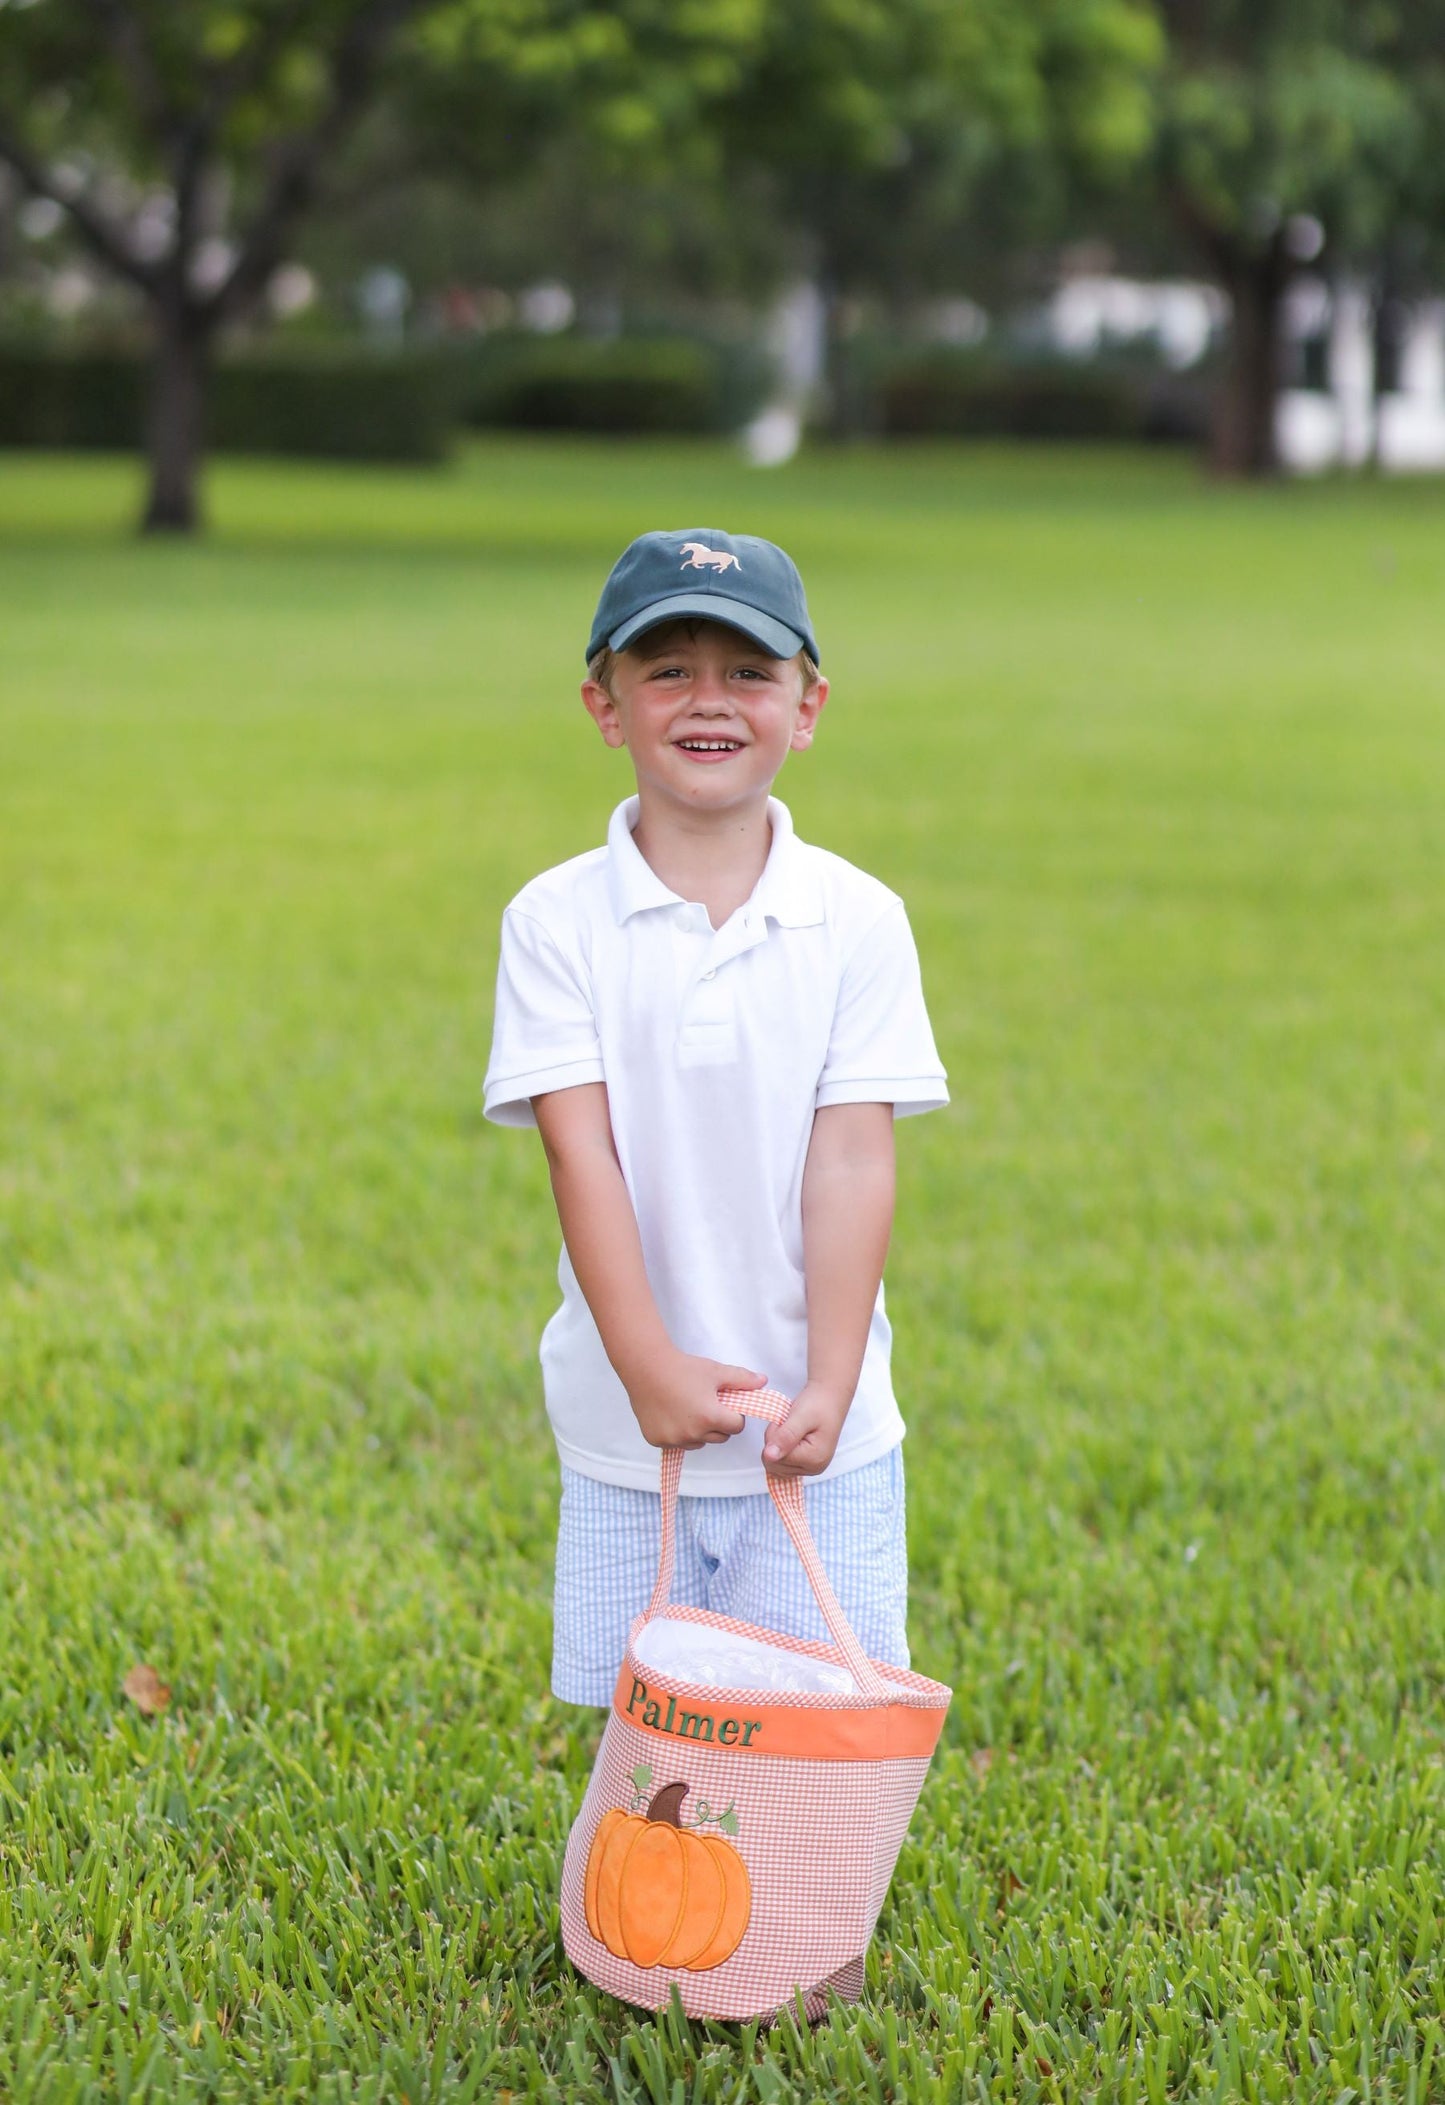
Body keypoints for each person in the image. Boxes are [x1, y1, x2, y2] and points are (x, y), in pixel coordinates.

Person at [484, 527, 948, 1706]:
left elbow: (850, 1159)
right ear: (605, 702)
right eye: (667, 668)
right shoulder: (554, 921)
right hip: (625, 1428)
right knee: (649, 1732)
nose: (709, 700)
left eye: (748, 671)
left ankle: (793, 1901)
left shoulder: (856, 918)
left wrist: (831, 1383)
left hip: (818, 1432)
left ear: (807, 705)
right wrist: (645, 1365)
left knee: (809, 1712)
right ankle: (643, 1903)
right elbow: (578, 1150)